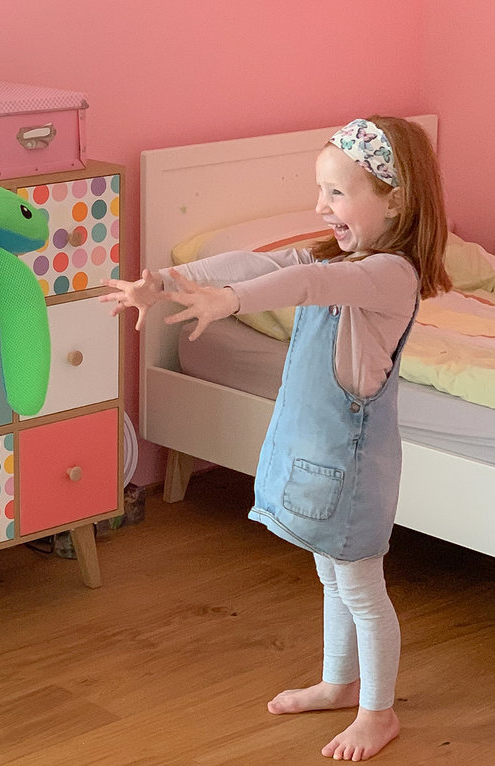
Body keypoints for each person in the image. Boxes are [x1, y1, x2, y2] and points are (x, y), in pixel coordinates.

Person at [102, 116, 450, 761]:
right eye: (321, 191)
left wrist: (230, 301)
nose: (321, 207)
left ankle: (378, 712)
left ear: (395, 197)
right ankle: (340, 682)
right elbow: (261, 261)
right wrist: (170, 280)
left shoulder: (388, 276)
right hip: (313, 454)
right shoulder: (339, 257)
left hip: (352, 469)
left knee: (362, 590)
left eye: (338, 193)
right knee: (332, 577)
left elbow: (307, 284)